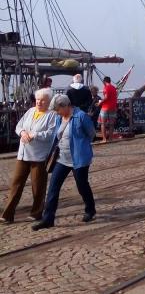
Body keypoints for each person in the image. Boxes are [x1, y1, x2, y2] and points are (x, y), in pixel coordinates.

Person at [32, 94, 96, 230]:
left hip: (79, 159)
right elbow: (57, 136)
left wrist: (81, 146)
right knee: (53, 188)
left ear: (65, 106)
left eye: (57, 109)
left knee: (82, 185)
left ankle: (90, 210)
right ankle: (48, 219)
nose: (56, 112)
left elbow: (91, 133)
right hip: (62, 159)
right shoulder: (58, 118)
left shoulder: (81, 116)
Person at [1, 88, 57, 224]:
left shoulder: (52, 115)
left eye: (42, 100)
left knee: (38, 185)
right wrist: (22, 133)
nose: (39, 102)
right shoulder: (30, 111)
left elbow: (51, 134)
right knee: (16, 183)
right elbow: (19, 126)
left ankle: (37, 212)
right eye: (38, 100)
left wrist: (35, 135)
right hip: (23, 153)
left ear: (48, 101)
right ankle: (7, 214)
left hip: (39, 156)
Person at [99, 76, 118, 143]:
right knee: (111, 124)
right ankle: (110, 138)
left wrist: (100, 102)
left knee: (103, 123)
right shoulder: (114, 88)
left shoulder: (106, 87)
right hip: (113, 107)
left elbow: (106, 97)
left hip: (105, 107)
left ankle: (104, 139)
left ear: (104, 81)